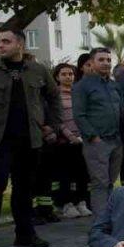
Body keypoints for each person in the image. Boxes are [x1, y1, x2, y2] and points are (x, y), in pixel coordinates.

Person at [0, 28, 63, 247]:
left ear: (20, 44)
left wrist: (53, 125)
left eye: (6, 41)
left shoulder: (37, 70)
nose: (1, 45)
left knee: (25, 189)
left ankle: (25, 234)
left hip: (30, 140)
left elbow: (54, 97)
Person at [73, 47, 124, 217]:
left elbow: (122, 110)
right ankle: (100, 223)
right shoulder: (82, 86)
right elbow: (79, 115)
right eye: (101, 60)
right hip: (97, 142)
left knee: (110, 182)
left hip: (116, 141)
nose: (106, 63)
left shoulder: (114, 85)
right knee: (100, 183)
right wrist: (93, 137)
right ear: (92, 63)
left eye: (108, 60)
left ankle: (108, 218)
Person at [48, 63, 91, 218]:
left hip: (82, 139)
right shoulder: (55, 95)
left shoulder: (79, 93)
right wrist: (70, 136)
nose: (68, 77)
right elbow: (57, 120)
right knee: (66, 174)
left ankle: (81, 202)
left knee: (82, 174)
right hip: (64, 142)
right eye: (64, 74)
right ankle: (66, 204)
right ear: (57, 77)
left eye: (71, 74)